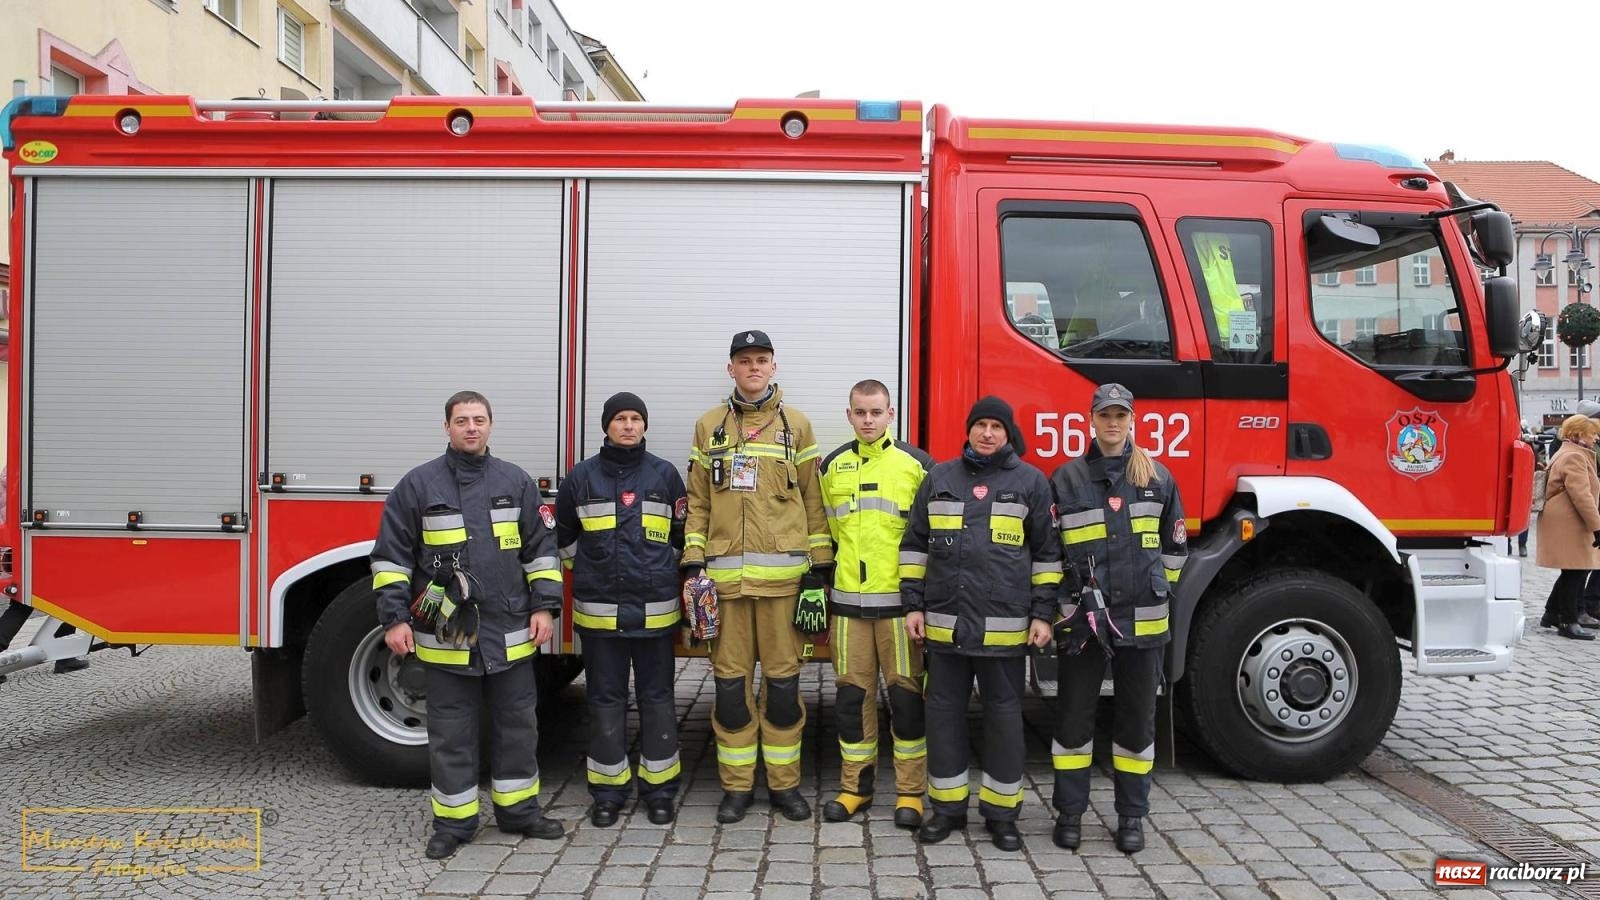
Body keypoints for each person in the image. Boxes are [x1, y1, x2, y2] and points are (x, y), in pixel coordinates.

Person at [371, 391, 565, 859]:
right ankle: (454, 823)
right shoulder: (417, 486)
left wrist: (545, 608)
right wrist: (394, 619)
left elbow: (541, 551)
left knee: (517, 725)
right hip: (447, 637)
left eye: (479, 420)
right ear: (447, 427)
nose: (471, 428)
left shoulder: (516, 482)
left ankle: (519, 812)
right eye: (462, 421)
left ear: (491, 426)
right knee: (451, 732)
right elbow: (391, 560)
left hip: (510, 632)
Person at [682, 330, 833, 823]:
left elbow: (814, 500)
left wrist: (819, 569)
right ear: (731, 369)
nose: (753, 368)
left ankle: (785, 787)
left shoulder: (798, 426)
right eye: (744, 361)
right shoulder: (709, 427)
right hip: (725, 589)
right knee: (729, 692)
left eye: (761, 360)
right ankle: (737, 788)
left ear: (773, 367)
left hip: (785, 589)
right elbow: (700, 503)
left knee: (785, 692)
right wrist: (693, 561)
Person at [902, 396, 1063, 852]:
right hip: (947, 629)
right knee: (944, 718)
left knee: (1005, 723)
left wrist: (1042, 614)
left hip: (1006, 631)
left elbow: (1048, 557)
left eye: (996, 426)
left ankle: (1001, 815)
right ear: (968, 430)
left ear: (1008, 433)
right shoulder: (940, 478)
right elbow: (915, 545)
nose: (987, 433)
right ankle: (948, 809)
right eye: (980, 425)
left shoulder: (1031, 482)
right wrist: (913, 606)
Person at [1048, 383, 1188, 854]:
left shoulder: (1158, 478)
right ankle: (1070, 814)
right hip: (1085, 625)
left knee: (1135, 726)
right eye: (1104, 415)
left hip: (1142, 625)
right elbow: (1052, 551)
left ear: (1132, 421)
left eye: (1120, 416)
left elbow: (1176, 548)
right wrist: (1067, 606)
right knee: (1073, 723)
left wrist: (1156, 591)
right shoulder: (1066, 479)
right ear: (1091, 420)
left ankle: (1132, 817)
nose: (1112, 423)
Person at [556, 392, 687, 827]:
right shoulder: (581, 478)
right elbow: (564, 540)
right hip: (600, 617)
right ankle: (607, 794)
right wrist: (592, 569)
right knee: (605, 703)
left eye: (635, 418)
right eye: (620, 419)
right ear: (606, 426)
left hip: (655, 615)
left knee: (658, 702)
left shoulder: (666, 476)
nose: (628, 425)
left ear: (645, 426)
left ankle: (660, 792)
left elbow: (682, 537)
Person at [817, 379, 932, 828]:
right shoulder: (831, 467)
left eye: (876, 412)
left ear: (891, 415)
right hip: (848, 610)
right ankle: (854, 789)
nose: (868, 420)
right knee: (851, 700)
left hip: (901, 611)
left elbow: (932, 539)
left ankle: (910, 792)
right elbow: (825, 534)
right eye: (860, 412)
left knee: (906, 702)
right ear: (849, 415)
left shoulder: (918, 466)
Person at [1535, 412, 1600, 640]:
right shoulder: (1575, 456)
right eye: (1593, 434)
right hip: (1570, 521)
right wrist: (1597, 527)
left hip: (1567, 520)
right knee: (1575, 571)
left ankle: (1552, 613)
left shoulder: (1569, 451)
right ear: (1579, 434)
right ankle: (1568, 620)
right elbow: (1581, 495)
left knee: (1572, 569)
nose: (1595, 439)